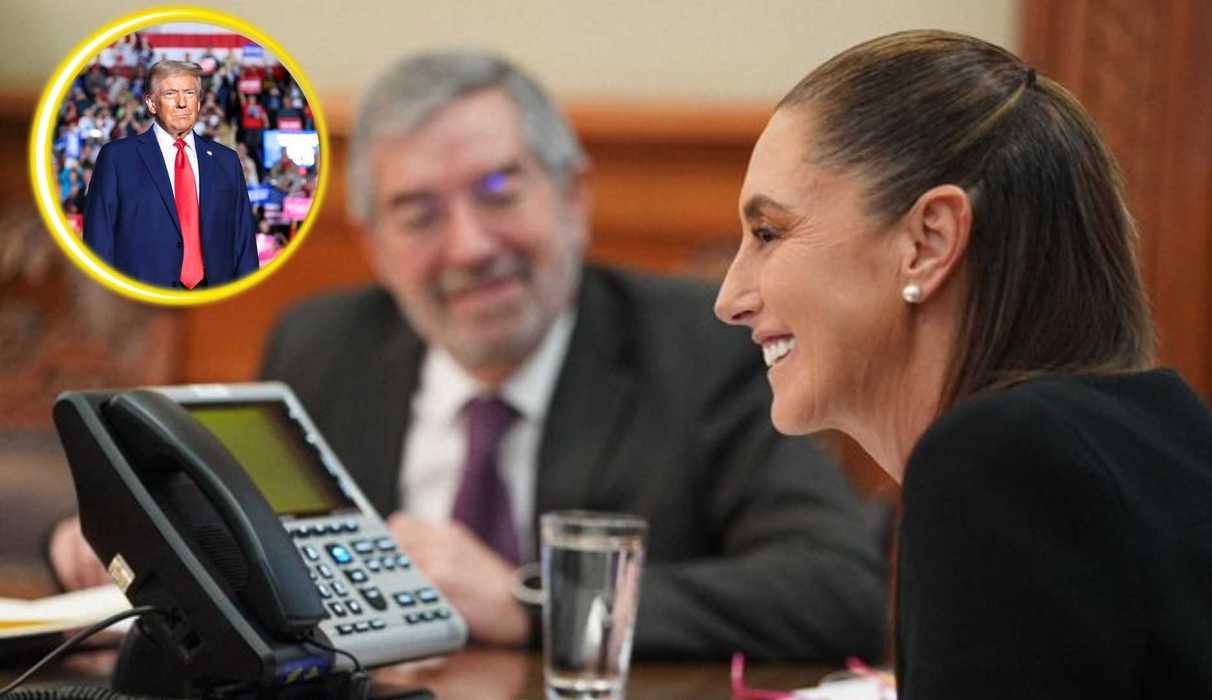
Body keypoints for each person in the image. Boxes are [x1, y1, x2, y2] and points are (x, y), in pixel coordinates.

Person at [49, 50, 890, 662]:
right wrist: (142, 537)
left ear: (573, 198)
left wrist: (531, 602)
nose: (468, 248)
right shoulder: (322, 344)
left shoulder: (701, 348)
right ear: (375, 245)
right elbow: (259, 552)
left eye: (498, 192)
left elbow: (833, 589)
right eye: (419, 213)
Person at [714, 30, 1212, 697]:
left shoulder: (999, 459)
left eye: (768, 233)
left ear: (929, 241)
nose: (728, 299)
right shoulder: (1161, 428)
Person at [83, 60, 258, 288]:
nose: (182, 103)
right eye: (170, 93)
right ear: (151, 103)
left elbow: (243, 242)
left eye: (189, 93)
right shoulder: (117, 158)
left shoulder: (227, 161)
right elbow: (99, 240)